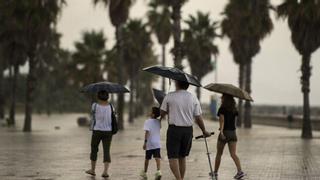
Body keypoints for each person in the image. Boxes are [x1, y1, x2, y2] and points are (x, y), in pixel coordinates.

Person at [160, 80, 211, 180]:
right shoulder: (193, 98)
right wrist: (204, 130)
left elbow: (162, 113)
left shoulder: (170, 96)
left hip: (174, 130)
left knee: (172, 158)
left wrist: (163, 111)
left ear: (177, 83)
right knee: (182, 157)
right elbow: (198, 117)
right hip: (188, 131)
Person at [213, 94, 245, 180]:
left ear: (225, 98)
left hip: (225, 132)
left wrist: (222, 132)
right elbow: (233, 120)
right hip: (233, 133)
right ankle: (240, 171)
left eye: (222, 97)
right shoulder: (234, 109)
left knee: (219, 154)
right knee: (233, 154)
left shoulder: (222, 109)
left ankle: (215, 172)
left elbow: (222, 121)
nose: (221, 98)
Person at [86, 90, 114, 178]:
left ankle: (93, 170)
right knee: (106, 150)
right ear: (107, 97)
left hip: (97, 131)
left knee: (94, 150)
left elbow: (92, 115)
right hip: (108, 132)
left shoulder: (94, 105)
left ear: (98, 97)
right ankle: (105, 172)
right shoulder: (111, 106)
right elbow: (114, 116)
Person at [140, 107, 162, 180]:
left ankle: (145, 173)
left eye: (150, 111)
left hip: (150, 144)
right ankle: (158, 171)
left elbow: (147, 133)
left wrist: (145, 142)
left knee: (147, 159)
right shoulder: (159, 122)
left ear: (153, 114)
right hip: (157, 143)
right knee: (157, 158)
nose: (149, 112)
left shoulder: (147, 121)